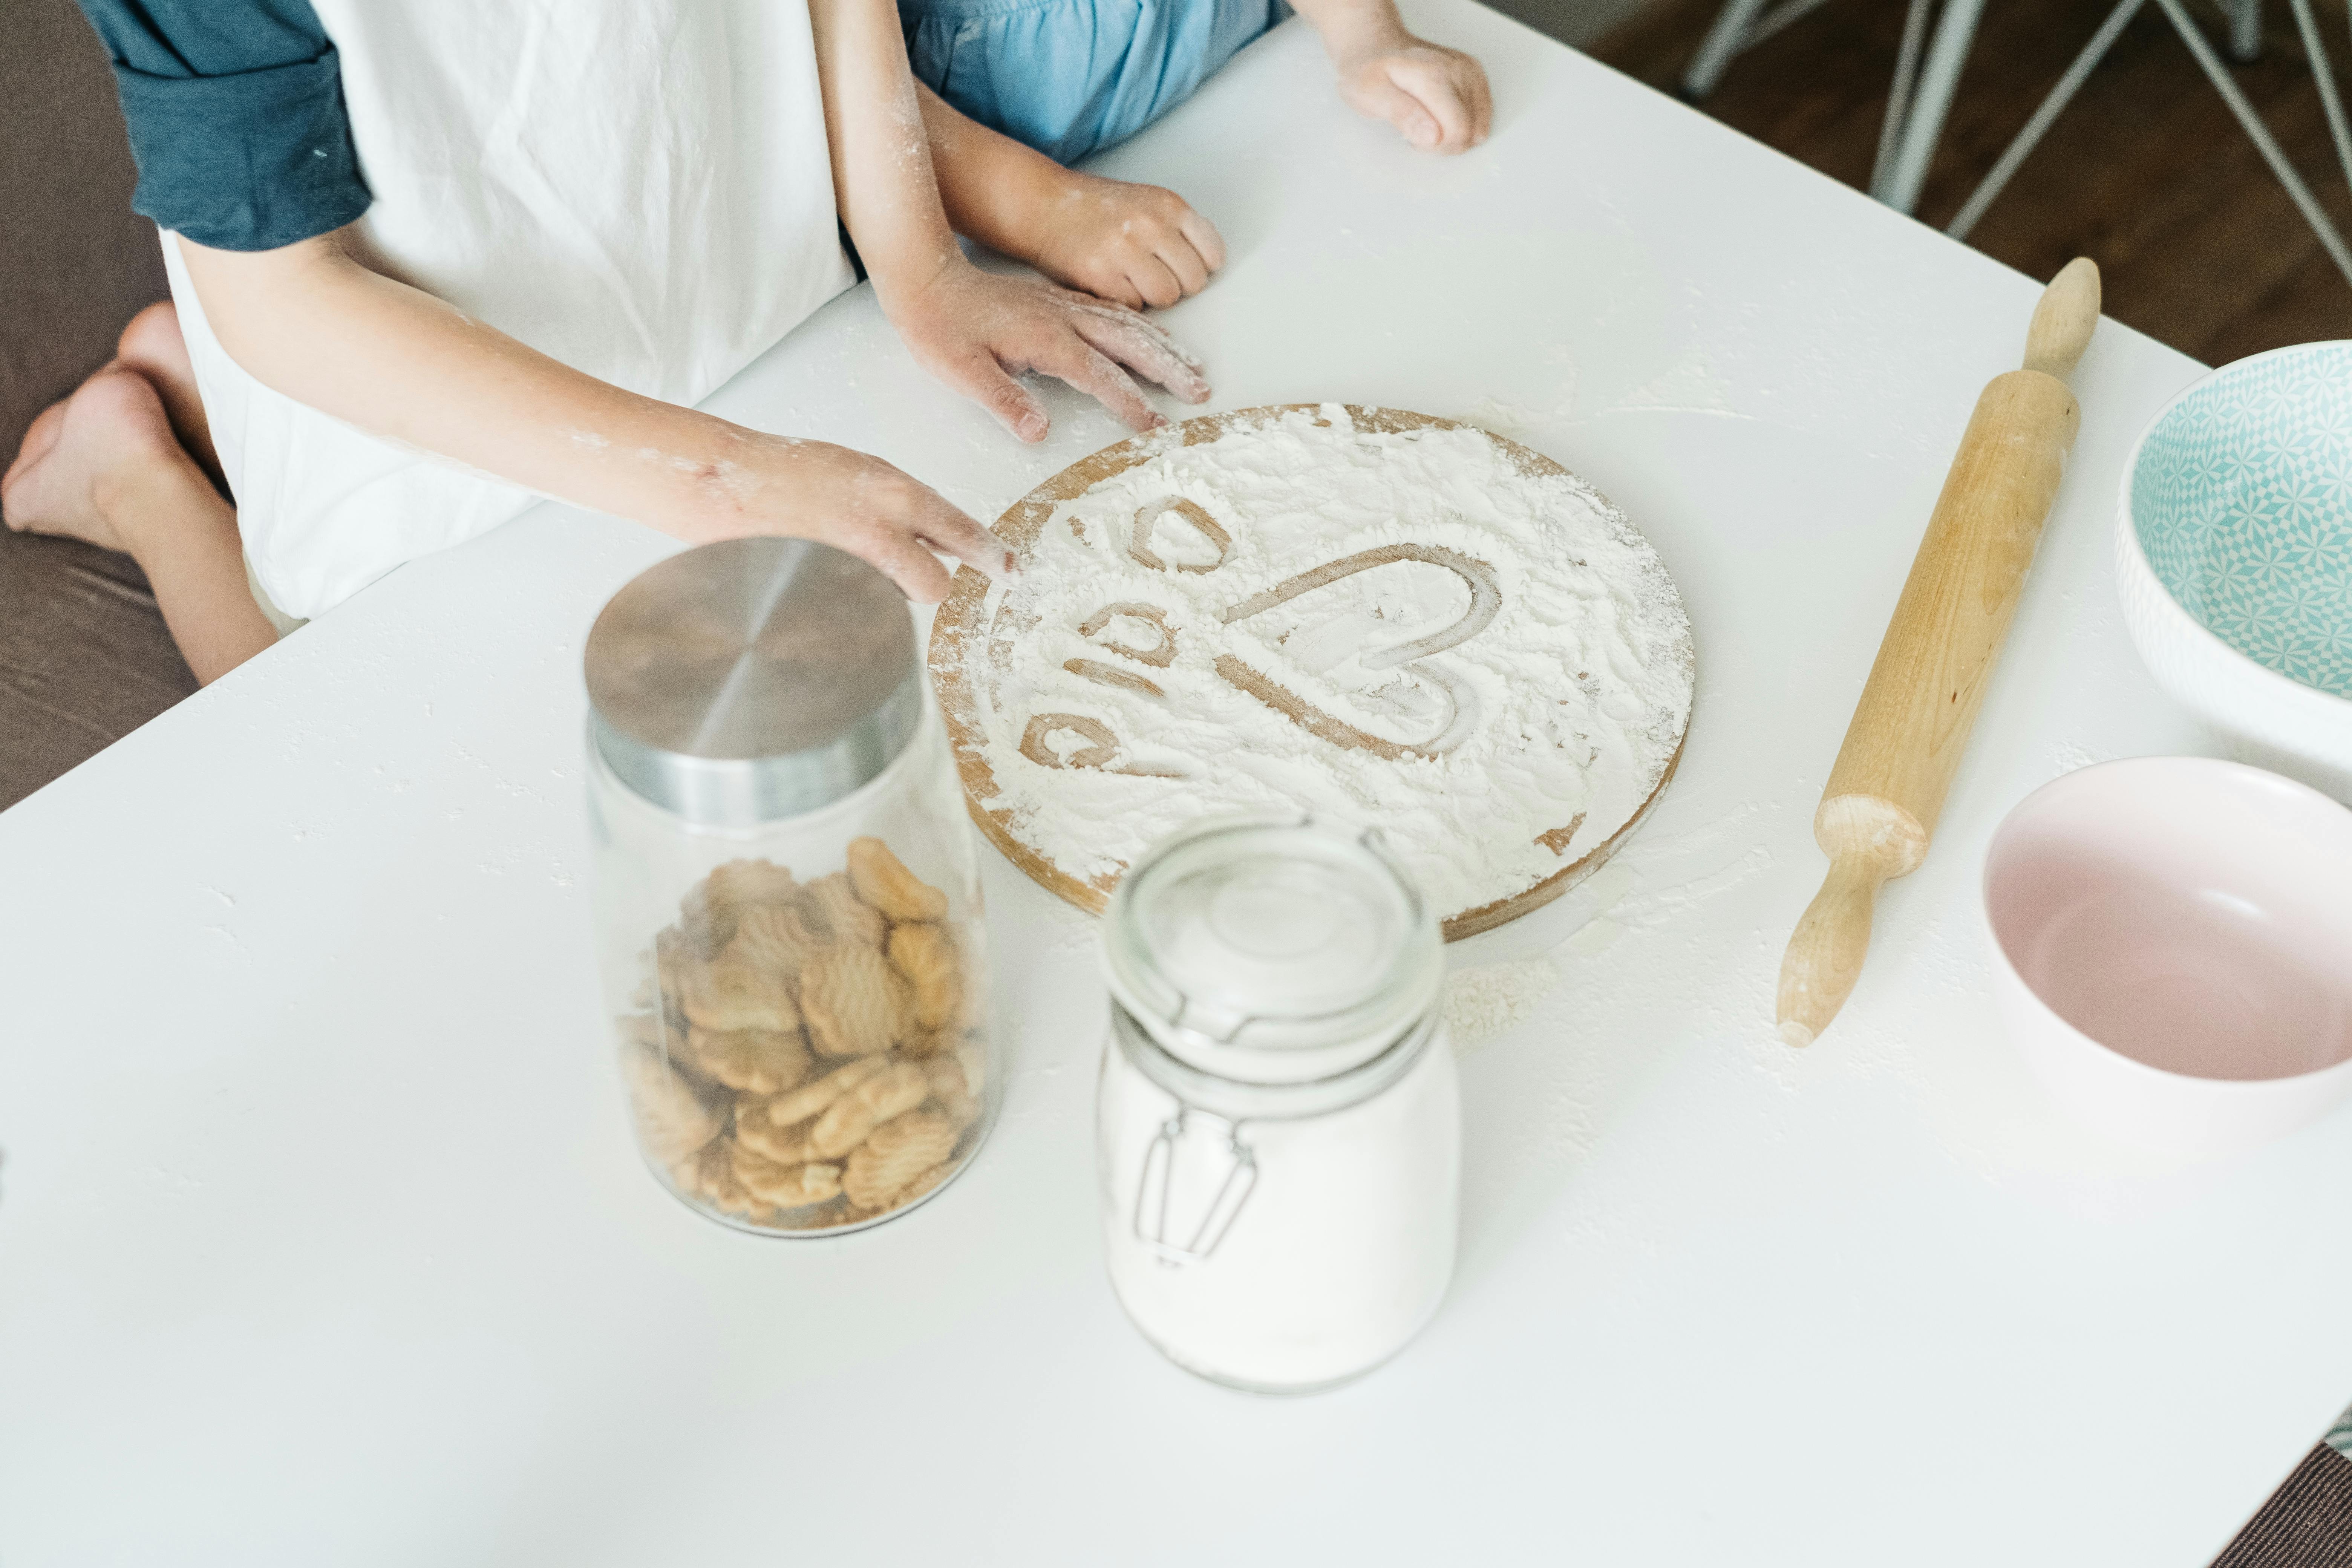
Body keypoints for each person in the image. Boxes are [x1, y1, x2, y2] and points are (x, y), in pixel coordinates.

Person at [4, 0, 1488, 687]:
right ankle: (139, 475)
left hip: (721, 288)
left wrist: (920, 265)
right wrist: (728, 479)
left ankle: (181, 377)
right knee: (303, 707)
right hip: (431, 387)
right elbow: (293, 299)